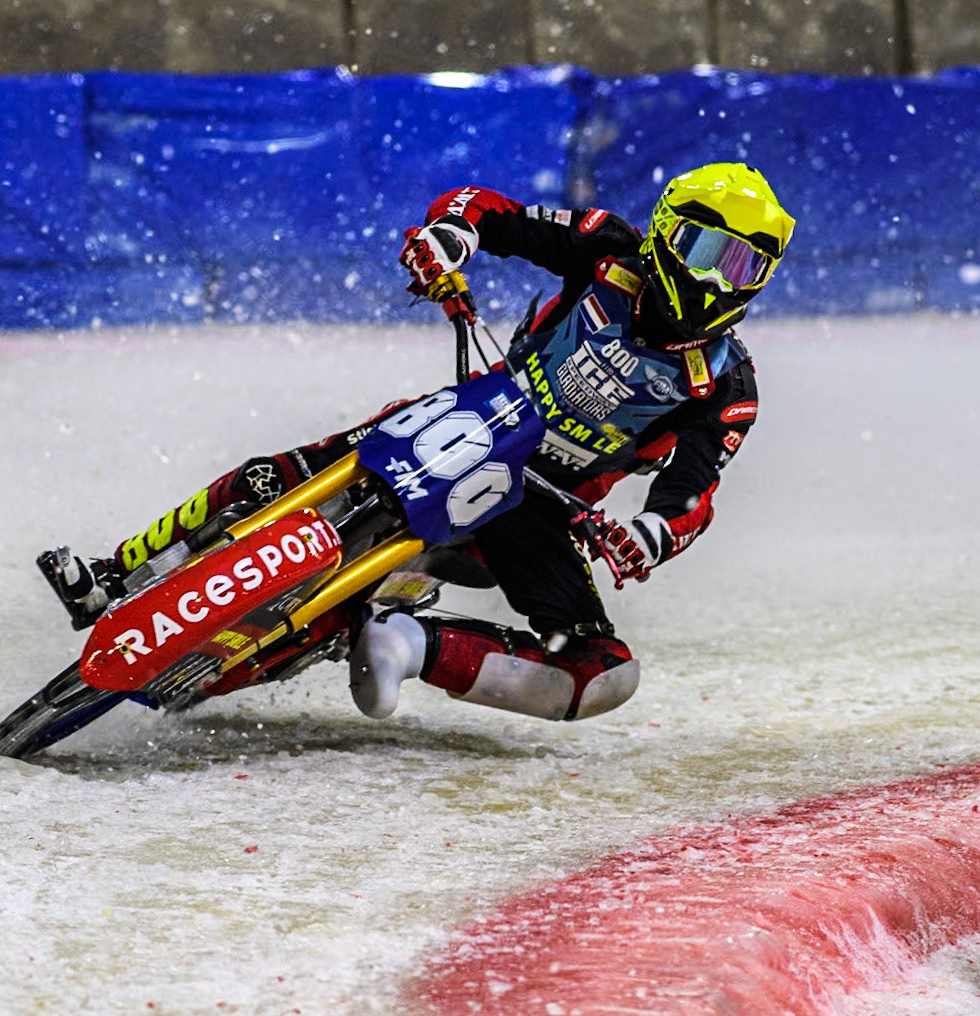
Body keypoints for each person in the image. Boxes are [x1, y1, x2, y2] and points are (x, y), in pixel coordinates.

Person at [40, 162, 793, 723]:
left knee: (603, 674)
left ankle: (405, 642)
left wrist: (649, 537)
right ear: (665, 231)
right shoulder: (605, 250)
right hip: (460, 420)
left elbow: (690, 494)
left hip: (537, 509)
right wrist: (447, 239)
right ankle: (115, 573)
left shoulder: (725, 387)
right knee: (277, 475)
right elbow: (483, 209)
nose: (713, 279)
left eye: (741, 265)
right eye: (702, 248)